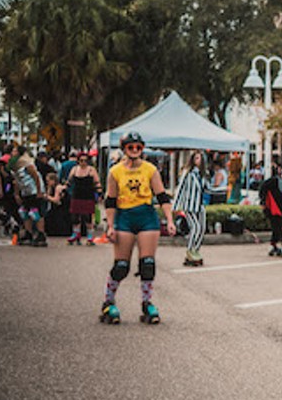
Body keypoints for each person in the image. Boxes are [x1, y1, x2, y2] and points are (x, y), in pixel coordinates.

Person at [100, 131, 175, 324]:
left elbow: (162, 196)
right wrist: (110, 226)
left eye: (138, 147)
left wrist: (170, 219)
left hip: (146, 217)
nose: (134, 150)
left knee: (147, 264)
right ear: (124, 149)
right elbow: (110, 200)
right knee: (121, 266)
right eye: (130, 147)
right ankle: (108, 302)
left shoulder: (150, 169)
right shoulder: (115, 172)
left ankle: (147, 303)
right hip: (124, 217)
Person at [173, 151, 207, 266]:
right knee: (195, 227)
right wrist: (176, 206)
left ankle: (195, 250)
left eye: (200, 158)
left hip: (200, 205)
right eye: (197, 158)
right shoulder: (188, 173)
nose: (199, 160)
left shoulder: (202, 175)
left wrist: (223, 189)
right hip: (190, 205)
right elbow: (180, 189)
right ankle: (189, 250)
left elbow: (208, 189)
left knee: (202, 228)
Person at [9, 145, 47, 246]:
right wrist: (17, 194)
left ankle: (41, 234)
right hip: (25, 191)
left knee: (35, 212)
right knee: (24, 212)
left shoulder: (27, 164)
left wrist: (39, 191)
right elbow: (16, 180)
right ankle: (28, 233)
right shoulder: (15, 165)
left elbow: (36, 177)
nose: (12, 153)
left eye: (14, 151)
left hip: (34, 190)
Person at [64, 151, 101, 245]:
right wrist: (64, 189)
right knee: (75, 217)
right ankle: (76, 234)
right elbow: (69, 181)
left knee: (88, 217)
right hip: (77, 195)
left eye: (85, 160)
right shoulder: (74, 169)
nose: (83, 162)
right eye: (81, 160)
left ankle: (89, 236)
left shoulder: (91, 170)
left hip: (88, 196)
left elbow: (97, 182)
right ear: (78, 161)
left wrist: (99, 193)